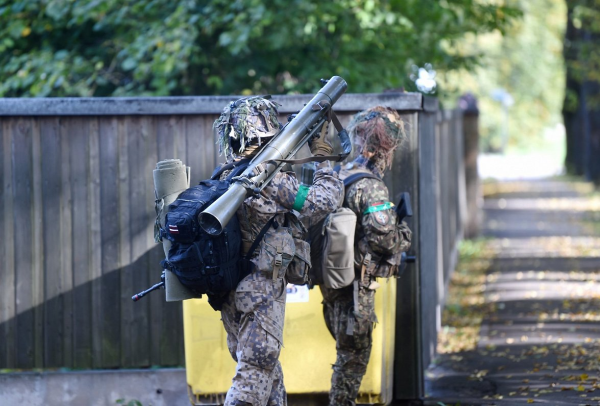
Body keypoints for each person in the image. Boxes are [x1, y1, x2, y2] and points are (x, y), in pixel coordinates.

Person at [213, 96, 344, 406]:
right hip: (260, 293)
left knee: (268, 374)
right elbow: (322, 201)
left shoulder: (224, 175)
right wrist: (323, 156)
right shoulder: (268, 180)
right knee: (255, 374)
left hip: (230, 294)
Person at [319, 106, 412, 406]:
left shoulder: (340, 173)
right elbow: (384, 239)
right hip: (356, 291)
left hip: (333, 284)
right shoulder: (371, 186)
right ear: (388, 147)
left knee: (346, 355)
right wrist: (405, 234)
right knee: (353, 359)